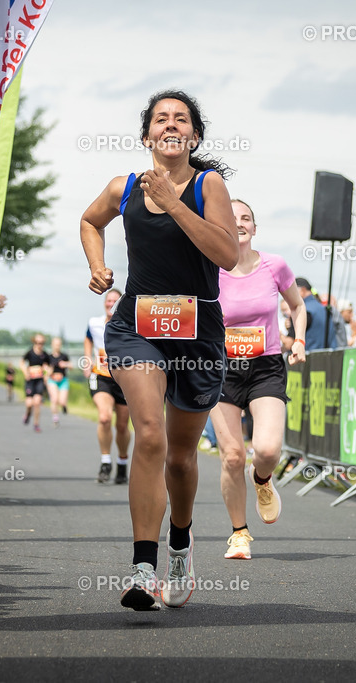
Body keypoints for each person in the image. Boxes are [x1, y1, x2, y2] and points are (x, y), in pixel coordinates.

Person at [80, 89, 239, 610]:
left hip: (197, 332)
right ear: (147, 133)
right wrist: (98, 267)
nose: (170, 125)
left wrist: (174, 204)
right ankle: (144, 567)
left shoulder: (207, 184)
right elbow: (89, 221)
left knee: (180, 455)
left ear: (194, 135)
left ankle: (180, 542)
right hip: (137, 325)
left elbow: (227, 255)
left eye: (181, 119)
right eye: (160, 119)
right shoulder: (123, 187)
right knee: (148, 430)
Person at [210, 199, 307, 560]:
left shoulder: (274, 265)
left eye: (246, 218)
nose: (238, 224)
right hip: (220, 369)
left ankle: (263, 479)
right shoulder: (208, 268)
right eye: (231, 218)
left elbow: (297, 305)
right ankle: (239, 534)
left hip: (265, 366)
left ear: (254, 227)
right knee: (233, 455)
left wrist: (299, 340)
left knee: (266, 450)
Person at [84, 289, 132, 484]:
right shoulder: (94, 323)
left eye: (115, 300)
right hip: (101, 376)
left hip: (124, 378)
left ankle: (122, 461)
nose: (110, 303)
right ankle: (105, 462)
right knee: (104, 418)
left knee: (122, 425)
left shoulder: (129, 323)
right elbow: (88, 338)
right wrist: (87, 359)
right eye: (108, 300)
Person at [295, 277, 339, 351]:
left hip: (309, 357)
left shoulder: (304, 310)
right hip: (327, 357)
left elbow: (292, 339)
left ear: (302, 290)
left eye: (294, 291)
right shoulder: (324, 309)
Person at [20, 334, 51, 432]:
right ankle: (27, 415)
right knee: (29, 404)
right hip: (30, 380)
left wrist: (46, 375)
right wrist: (25, 372)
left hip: (39, 381)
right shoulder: (29, 353)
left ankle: (36, 424)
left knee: (37, 402)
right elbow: (21, 363)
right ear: (34, 342)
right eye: (37, 343)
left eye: (41, 343)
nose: (39, 345)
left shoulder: (45, 355)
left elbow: (49, 367)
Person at [46, 337, 71, 427]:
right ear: (52, 345)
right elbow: (45, 368)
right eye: (56, 344)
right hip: (52, 380)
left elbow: (71, 366)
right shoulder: (48, 357)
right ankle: (55, 417)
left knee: (62, 401)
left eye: (59, 344)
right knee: (54, 399)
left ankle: (64, 406)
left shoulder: (64, 356)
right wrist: (49, 370)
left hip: (63, 380)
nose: (57, 346)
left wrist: (65, 364)